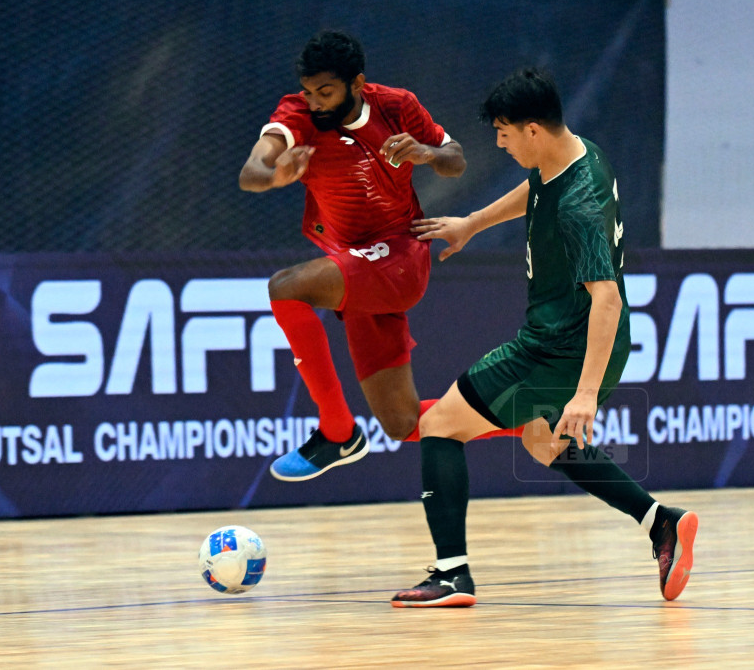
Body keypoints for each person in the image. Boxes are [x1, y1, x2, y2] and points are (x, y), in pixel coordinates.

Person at [390, 68, 699, 607]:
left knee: (439, 426)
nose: (499, 144)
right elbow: (536, 189)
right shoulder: (577, 152)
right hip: (573, 341)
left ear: (532, 129)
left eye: (504, 133)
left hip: (560, 349)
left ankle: (452, 573)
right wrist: (472, 223)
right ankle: (660, 522)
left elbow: (607, 299)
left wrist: (584, 394)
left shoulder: (580, 204)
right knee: (544, 442)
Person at [238, 30, 469, 481]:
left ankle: (337, 432)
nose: (315, 102)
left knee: (286, 288)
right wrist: (272, 176)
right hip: (357, 266)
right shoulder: (297, 115)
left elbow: (455, 159)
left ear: (357, 83)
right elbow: (251, 171)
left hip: (401, 255)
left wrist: (426, 153)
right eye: (308, 92)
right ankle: (533, 422)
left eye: (325, 92)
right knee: (402, 422)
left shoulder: (397, 106)